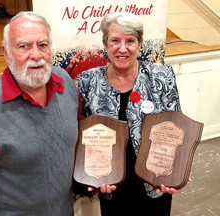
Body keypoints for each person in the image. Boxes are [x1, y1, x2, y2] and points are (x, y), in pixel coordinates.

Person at [0, 11, 78, 216]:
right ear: (6, 52)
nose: (36, 55)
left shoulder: (65, 84)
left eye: (42, 45)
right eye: (24, 46)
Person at [75, 12, 184, 216]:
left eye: (130, 41)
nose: (122, 48)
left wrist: (176, 172)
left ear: (140, 44)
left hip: (154, 180)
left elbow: (176, 126)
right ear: (105, 43)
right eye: (115, 40)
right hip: (111, 182)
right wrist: (94, 177)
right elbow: (84, 136)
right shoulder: (88, 81)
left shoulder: (161, 75)